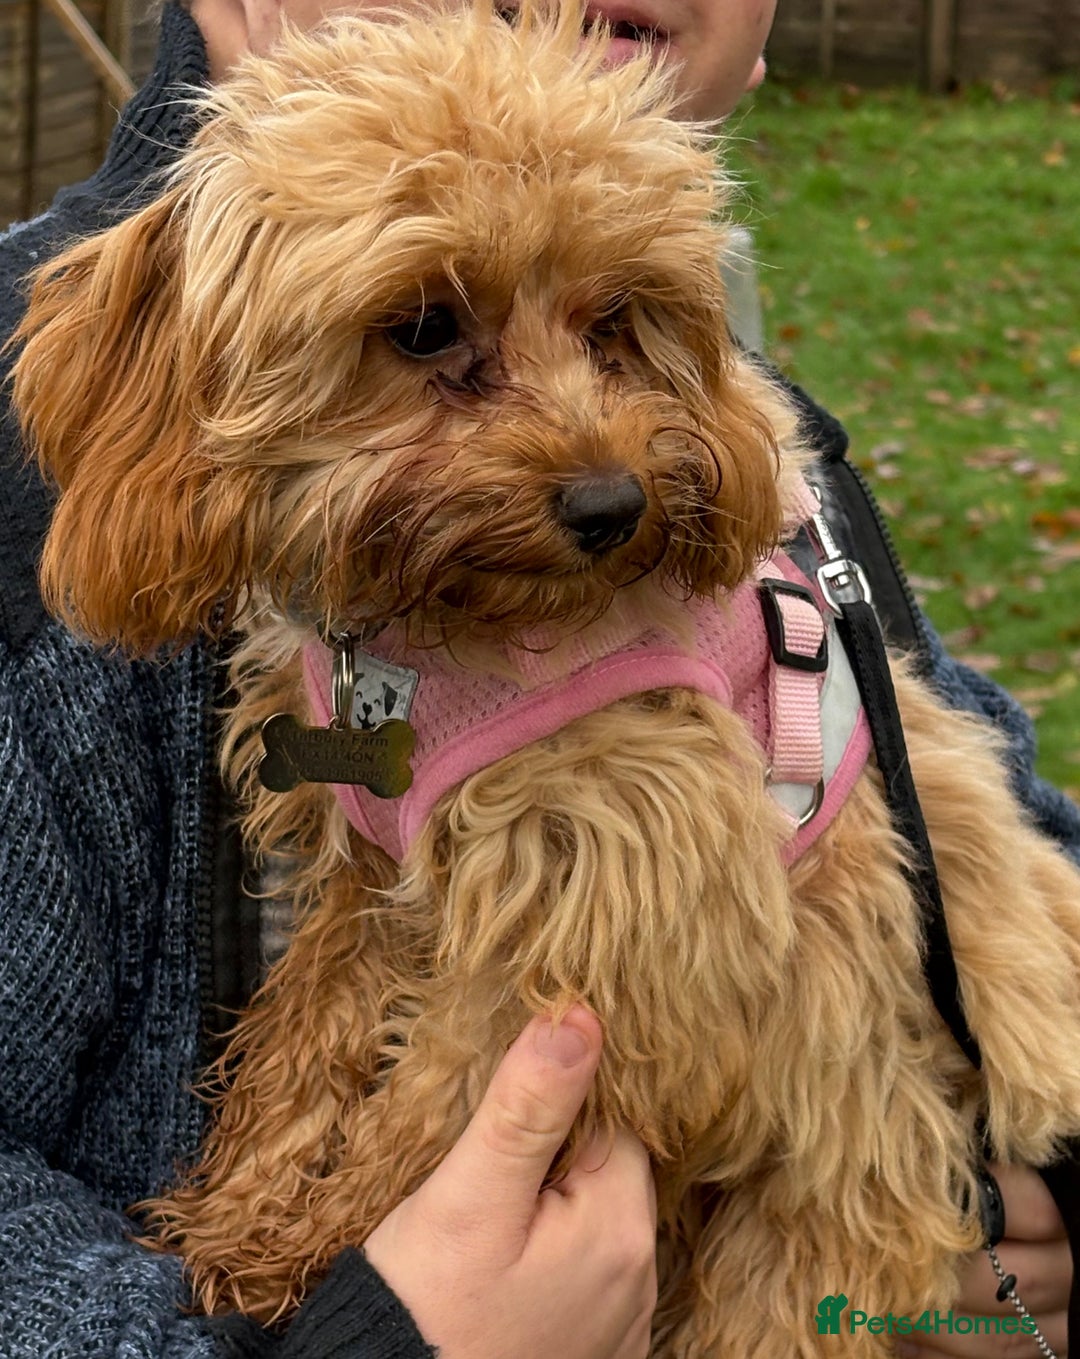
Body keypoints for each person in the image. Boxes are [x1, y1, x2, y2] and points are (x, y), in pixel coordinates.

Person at [0, 0, 1076, 1356]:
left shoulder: (750, 477)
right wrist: (358, 1334)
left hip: (811, 1215)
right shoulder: (127, 430)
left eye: (615, 327)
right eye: (426, 336)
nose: (597, 464)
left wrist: (1043, 1185)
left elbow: (607, 1010)